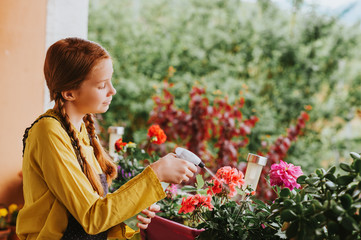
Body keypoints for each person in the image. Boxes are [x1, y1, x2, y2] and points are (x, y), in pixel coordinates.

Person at [17, 37, 197, 240]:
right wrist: (156, 174)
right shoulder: (49, 132)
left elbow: (94, 218)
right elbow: (93, 218)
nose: (113, 91)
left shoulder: (81, 131)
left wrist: (132, 216)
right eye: (102, 85)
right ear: (69, 93)